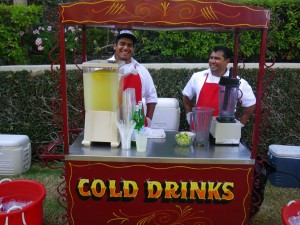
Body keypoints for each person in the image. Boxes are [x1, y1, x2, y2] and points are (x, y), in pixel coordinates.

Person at [182, 46, 256, 126]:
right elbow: (186, 96)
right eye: (211, 58)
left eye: (217, 58)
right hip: (200, 128)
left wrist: (240, 125)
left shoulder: (237, 82)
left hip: (225, 129)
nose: (212, 61)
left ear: (227, 61)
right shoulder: (197, 76)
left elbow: (250, 104)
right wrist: (189, 116)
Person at [108, 30, 157, 126]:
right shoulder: (105, 68)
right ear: (115, 46)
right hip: (110, 125)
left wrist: (148, 120)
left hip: (137, 126)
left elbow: (151, 97)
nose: (126, 47)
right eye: (122, 44)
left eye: (129, 45)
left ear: (133, 49)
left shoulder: (141, 70)